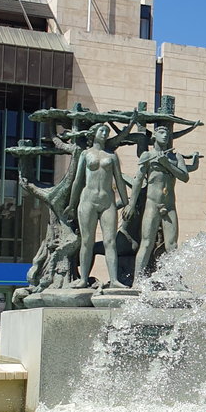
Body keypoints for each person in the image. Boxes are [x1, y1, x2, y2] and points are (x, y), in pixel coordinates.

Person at [130, 124, 201, 282]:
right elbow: (137, 181)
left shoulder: (176, 157)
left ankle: (175, 281)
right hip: (152, 205)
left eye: (167, 134)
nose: (165, 136)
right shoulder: (147, 156)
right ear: (154, 136)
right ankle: (137, 281)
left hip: (169, 206)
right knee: (147, 243)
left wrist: (166, 164)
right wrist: (131, 204)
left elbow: (185, 176)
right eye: (161, 132)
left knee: (172, 245)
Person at [69, 123, 131, 288]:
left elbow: (119, 180)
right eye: (101, 130)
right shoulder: (86, 154)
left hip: (107, 202)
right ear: (93, 133)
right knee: (87, 241)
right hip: (88, 200)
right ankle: (83, 279)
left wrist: (126, 202)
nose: (105, 133)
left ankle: (115, 280)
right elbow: (77, 181)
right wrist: (71, 204)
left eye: (107, 131)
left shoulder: (112, 156)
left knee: (110, 241)